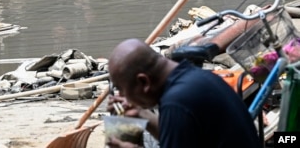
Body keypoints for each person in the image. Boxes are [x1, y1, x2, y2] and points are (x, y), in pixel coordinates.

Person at [106, 39, 260, 148]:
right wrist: (141, 114)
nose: (122, 95)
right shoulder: (195, 78)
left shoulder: (177, 103)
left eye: (121, 88)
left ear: (144, 82)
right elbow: (180, 136)